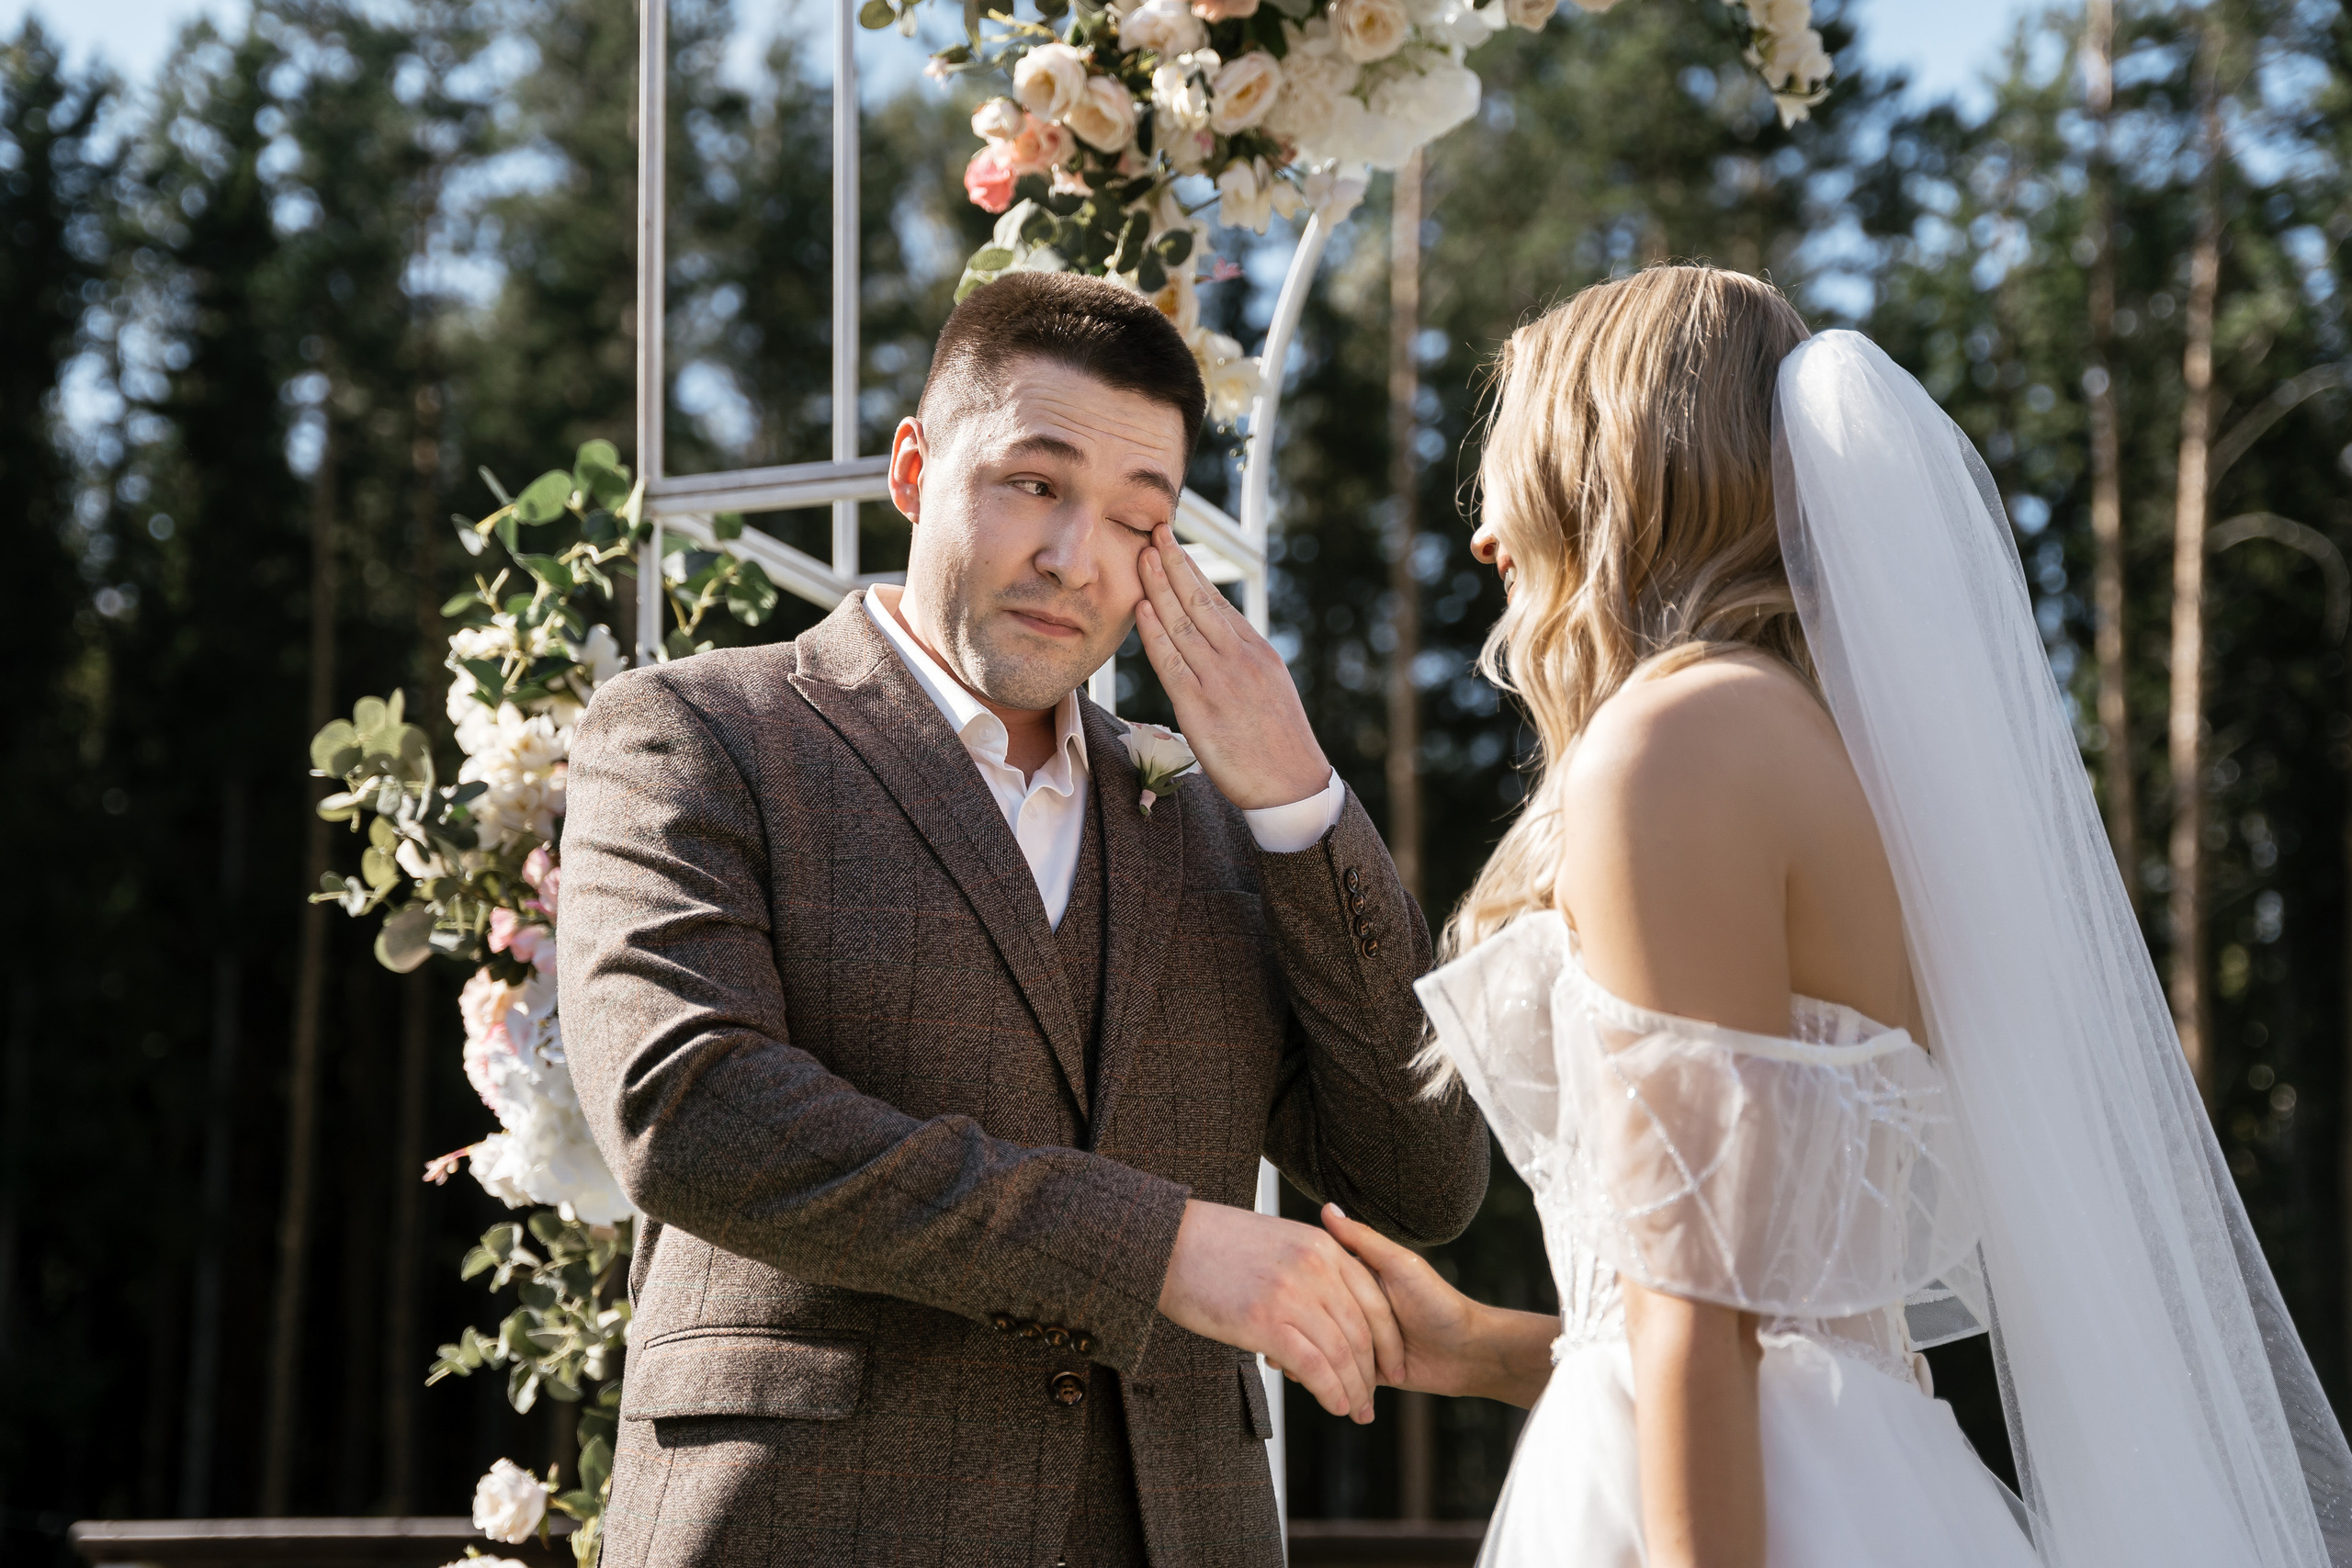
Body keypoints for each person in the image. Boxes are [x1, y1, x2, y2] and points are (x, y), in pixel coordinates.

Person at [1321, 265, 2352, 1568]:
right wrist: (1481, 1353)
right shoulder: (1826, 760)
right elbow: (1800, 1329)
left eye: (1515, 472)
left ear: (1616, 474)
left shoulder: (1674, 745)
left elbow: (1709, 1324)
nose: (1484, 540)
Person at [557, 269, 1490, 1568]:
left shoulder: (1223, 827)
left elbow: (1422, 1177)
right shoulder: (699, 731)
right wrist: (1155, 1248)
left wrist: (1300, 806)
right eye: (1034, 485)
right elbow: (690, 1111)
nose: (1074, 561)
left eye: (1136, 520)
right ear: (914, 468)